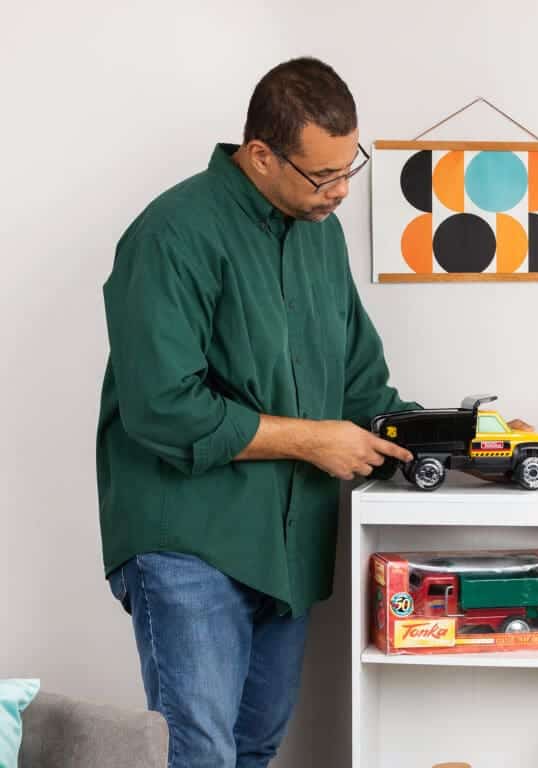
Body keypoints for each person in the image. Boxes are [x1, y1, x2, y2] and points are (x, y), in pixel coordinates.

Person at [96, 57, 417, 768]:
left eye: (348, 168)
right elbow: (161, 409)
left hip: (289, 550)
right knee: (200, 754)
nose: (339, 192)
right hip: (188, 541)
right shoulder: (171, 235)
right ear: (261, 155)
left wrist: (469, 445)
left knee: (255, 747)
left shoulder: (319, 237)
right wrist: (311, 442)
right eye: (321, 175)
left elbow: (363, 391)